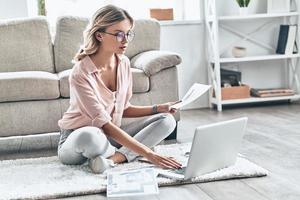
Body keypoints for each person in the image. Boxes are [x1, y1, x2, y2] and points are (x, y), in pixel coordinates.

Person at [57, 5, 182, 174]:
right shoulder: (80, 73)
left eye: (128, 33)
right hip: (79, 140)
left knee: (167, 120)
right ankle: (123, 154)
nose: (125, 40)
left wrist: (158, 108)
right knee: (91, 136)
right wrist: (149, 153)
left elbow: (123, 109)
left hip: (109, 138)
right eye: (118, 34)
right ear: (99, 35)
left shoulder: (123, 63)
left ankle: (112, 159)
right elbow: (105, 125)